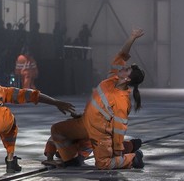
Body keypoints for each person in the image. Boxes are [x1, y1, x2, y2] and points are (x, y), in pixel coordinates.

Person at [50, 28, 146, 170]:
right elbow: (122, 55)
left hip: (100, 133)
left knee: (103, 164)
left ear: (126, 78)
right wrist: (132, 38)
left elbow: (119, 129)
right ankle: (71, 159)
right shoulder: (113, 78)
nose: (123, 67)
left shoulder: (122, 101)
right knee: (57, 130)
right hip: (84, 122)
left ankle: (133, 158)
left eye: (126, 69)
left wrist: (118, 154)